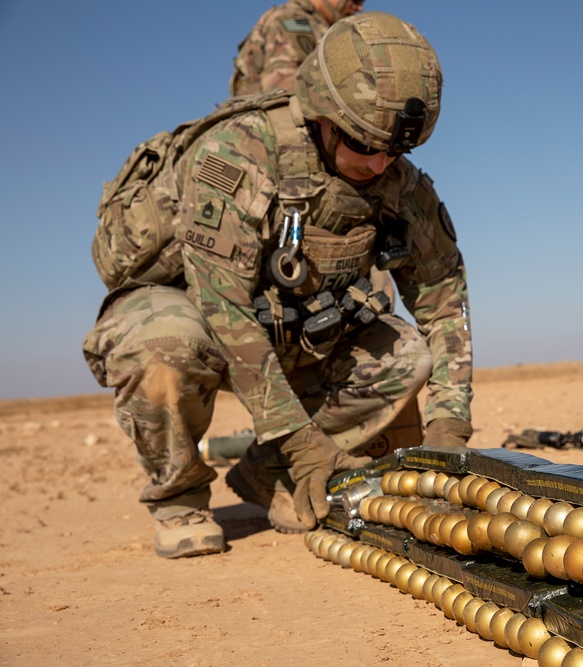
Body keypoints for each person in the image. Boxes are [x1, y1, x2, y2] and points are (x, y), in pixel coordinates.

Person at [83, 12, 473, 559]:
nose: (379, 163)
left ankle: (270, 474)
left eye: (394, 151)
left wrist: (451, 419)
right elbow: (224, 305)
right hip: (197, 313)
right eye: (365, 145)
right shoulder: (238, 152)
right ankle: (181, 498)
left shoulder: (396, 182)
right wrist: (300, 439)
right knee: (163, 345)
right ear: (325, 116)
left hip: (290, 331)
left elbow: (443, 292)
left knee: (405, 355)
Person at [230, 0, 364, 97]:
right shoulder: (294, 20)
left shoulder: (319, 24)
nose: (359, 8)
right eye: (355, 0)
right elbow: (285, 91)